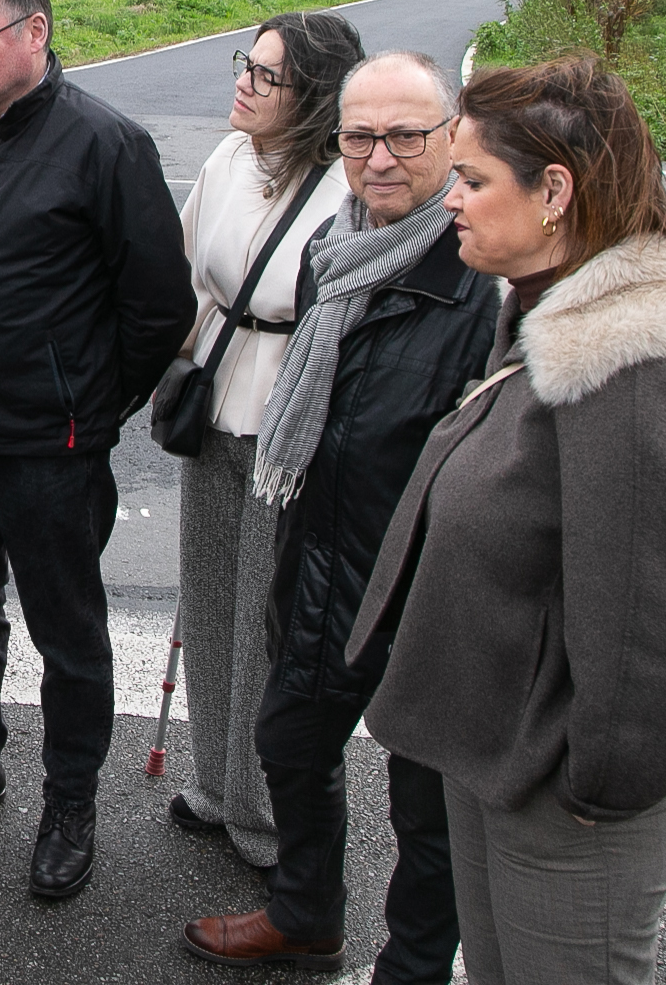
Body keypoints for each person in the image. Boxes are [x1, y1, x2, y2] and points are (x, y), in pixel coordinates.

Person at [349, 55, 666, 985]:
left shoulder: (629, 383)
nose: (451, 199)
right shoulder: (541, 327)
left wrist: (597, 784)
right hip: (498, 764)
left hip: (566, 806)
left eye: (472, 180)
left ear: (554, 192)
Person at [180, 53, 497, 976]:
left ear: (452, 136)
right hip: (320, 553)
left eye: (406, 136)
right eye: (359, 137)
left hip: (421, 583)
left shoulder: (476, 275)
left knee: (424, 800)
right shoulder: (336, 247)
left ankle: (412, 965)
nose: (379, 158)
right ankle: (306, 914)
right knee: (289, 738)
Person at [0, 0, 196, 898]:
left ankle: (70, 802)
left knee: (69, 635)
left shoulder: (107, 143)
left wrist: (90, 406)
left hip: (49, 448)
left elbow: (158, 305)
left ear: (35, 33)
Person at [168, 12, 359, 866]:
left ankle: (263, 811)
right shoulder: (227, 159)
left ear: (313, 96)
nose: (243, 80)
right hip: (214, 405)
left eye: (266, 73)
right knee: (210, 600)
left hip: (292, 429)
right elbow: (183, 274)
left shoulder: (348, 189)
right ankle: (215, 782)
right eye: (247, 62)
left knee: (268, 625)